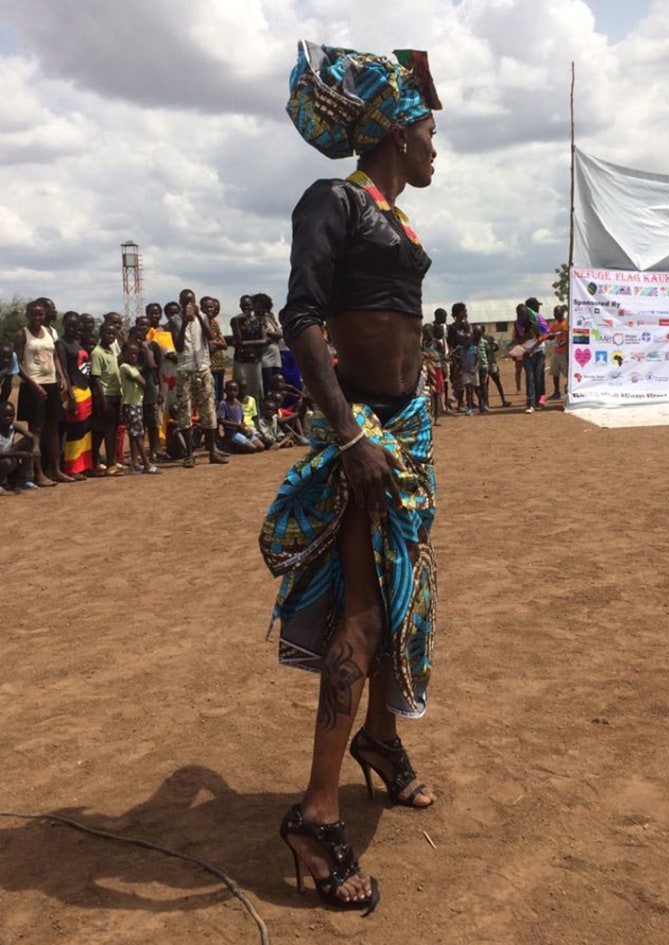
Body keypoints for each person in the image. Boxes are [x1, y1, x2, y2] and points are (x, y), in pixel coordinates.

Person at [260, 41, 441, 914]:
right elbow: (301, 315)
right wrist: (347, 431)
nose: (438, 147)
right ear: (397, 134)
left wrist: (415, 80)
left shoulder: (391, 210)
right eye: (429, 130)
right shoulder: (332, 200)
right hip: (366, 433)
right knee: (365, 612)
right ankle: (316, 813)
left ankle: (379, 742)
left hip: (404, 434)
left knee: (406, 599)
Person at [13, 298, 70, 485]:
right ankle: (37, 473)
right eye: (34, 314)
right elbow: (18, 364)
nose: (38, 317)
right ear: (27, 315)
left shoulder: (49, 332)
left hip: (51, 383)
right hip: (33, 386)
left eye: (41, 314)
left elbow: (54, 357)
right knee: (36, 430)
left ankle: (56, 470)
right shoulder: (23, 334)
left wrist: (61, 377)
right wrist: (33, 384)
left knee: (53, 428)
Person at [172, 288, 229, 468]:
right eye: (185, 302)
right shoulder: (175, 320)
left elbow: (211, 337)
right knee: (185, 411)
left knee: (209, 410)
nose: (188, 305)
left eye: (191, 301)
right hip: (185, 369)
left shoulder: (203, 317)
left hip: (203, 367)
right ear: (180, 303)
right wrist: (184, 323)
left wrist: (198, 316)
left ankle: (212, 451)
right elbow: (178, 346)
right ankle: (189, 454)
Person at [55, 311, 93, 479]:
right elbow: (63, 370)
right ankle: (71, 467)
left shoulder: (77, 343)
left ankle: (84, 465)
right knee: (75, 430)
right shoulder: (61, 344)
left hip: (85, 390)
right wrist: (70, 396)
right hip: (74, 391)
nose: (72, 328)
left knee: (85, 430)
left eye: (75, 325)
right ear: (63, 324)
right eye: (69, 325)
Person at [120, 341, 160, 474]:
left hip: (135, 403)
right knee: (138, 435)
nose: (133, 356)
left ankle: (135, 463)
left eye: (136, 354)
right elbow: (143, 382)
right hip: (131, 404)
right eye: (130, 353)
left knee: (134, 434)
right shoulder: (126, 367)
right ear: (123, 354)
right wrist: (138, 378)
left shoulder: (132, 368)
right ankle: (147, 464)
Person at [90, 321, 123, 475]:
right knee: (104, 432)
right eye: (108, 333)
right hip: (106, 396)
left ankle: (110, 461)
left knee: (112, 430)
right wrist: (102, 400)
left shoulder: (111, 351)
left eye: (113, 334)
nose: (111, 336)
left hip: (115, 395)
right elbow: (95, 378)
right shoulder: (97, 353)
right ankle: (108, 464)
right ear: (101, 334)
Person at [231, 295, 266, 408]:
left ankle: (256, 416)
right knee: (240, 388)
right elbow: (238, 339)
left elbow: (264, 340)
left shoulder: (259, 320)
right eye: (244, 305)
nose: (246, 308)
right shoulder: (236, 321)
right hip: (240, 360)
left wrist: (244, 344)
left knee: (255, 390)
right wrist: (237, 322)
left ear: (253, 306)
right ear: (240, 306)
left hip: (255, 360)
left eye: (249, 305)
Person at [0, 400, 39, 493]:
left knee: (28, 443)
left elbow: (33, 437)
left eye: (11, 416)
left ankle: (20, 482)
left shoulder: (13, 426)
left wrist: (36, 448)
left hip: (11, 455)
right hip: (3, 458)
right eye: (5, 416)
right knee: (7, 462)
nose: (8, 418)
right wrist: (19, 454)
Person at [217, 379, 265, 453]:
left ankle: (237, 443)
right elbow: (220, 420)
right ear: (225, 391)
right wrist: (237, 425)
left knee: (261, 446)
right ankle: (230, 445)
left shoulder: (238, 404)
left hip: (240, 430)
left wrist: (244, 427)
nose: (232, 392)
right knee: (252, 448)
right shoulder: (223, 404)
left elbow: (241, 418)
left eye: (235, 390)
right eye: (230, 390)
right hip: (231, 432)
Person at [200, 296, 228, 404]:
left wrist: (215, 343)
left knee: (219, 395)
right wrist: (218, 343)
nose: (209, 310)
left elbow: (224, 345)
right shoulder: (200, 324)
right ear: (201, 309)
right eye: (206, 307)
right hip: (209, 366)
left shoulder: (214, 323)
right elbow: (210, 348)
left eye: (211, 307)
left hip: (219, 364)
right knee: (211, 396)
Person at [256, 293, 283, 396]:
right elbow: (264, 339)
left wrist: (271, 335)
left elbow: (280, 334)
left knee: (276, 383)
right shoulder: (256, 321)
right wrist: (274, 336)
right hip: (265, 356)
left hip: (275, 355)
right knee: (267, 385)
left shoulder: (269, 319)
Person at [548, 303, 568, 399]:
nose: (556, 314)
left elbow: (567, 340)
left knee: (566, 372)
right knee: (555, 372)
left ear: (563, 313)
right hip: (556, 351)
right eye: (555, 312)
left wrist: (560, 344)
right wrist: (550, 338)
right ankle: (556, 391)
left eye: (558, 312)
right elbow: (550, 336)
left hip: (564, 352)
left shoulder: (566, 324)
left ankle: (568, 388)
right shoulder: (554, 325)